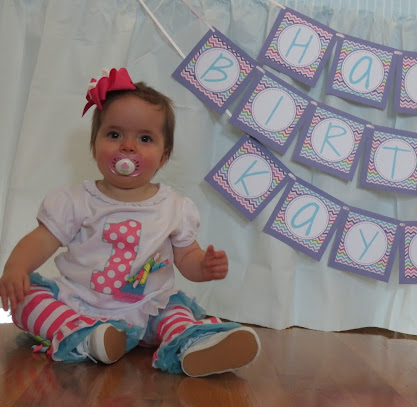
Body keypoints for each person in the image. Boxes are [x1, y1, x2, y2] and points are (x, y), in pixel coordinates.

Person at [0, 68, 260, 377]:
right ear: (94, 146)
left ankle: (193, 344)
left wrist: (203, 266)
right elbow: (42, 239)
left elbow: (186, 257)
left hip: (147, 308)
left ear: (163, 157)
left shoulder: (174, 207)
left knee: (175, 312)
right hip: (79, 302)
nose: (128, 146)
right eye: (114, 135)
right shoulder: (75, 201)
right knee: (27, 300)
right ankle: (87, 337)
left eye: (145, 138)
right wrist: (16, 267)